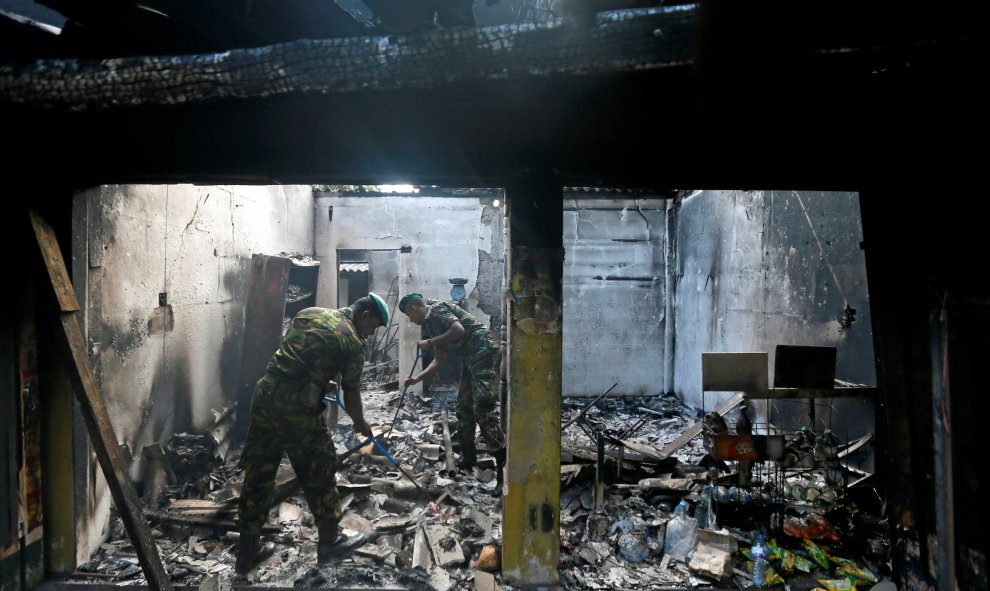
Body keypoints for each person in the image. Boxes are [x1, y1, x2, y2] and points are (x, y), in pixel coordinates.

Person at [234, 293, 389, 574]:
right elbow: (351, 391)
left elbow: (295, 354)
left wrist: (317, 378)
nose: (371, 333)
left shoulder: (309, 312)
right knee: (320, 469)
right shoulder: (353, 342)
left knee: (259, 473)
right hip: (297, 409)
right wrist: (360, 423)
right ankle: (330, 541)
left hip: (266, 396)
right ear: (365, 316)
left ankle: (247, 553)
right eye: (374, 326)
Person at [397, 292, 506, 488]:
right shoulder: (431, 325)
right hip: (470, 357)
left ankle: (502, 472)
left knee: (483, 409)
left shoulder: (436, 309)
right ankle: (468, 459)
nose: (411, 320)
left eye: (408, 315)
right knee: (463, 408)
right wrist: (416, 379)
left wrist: (430, 342)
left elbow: (459, 330)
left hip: (481, 349)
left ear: (413, 308)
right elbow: (439, 361)